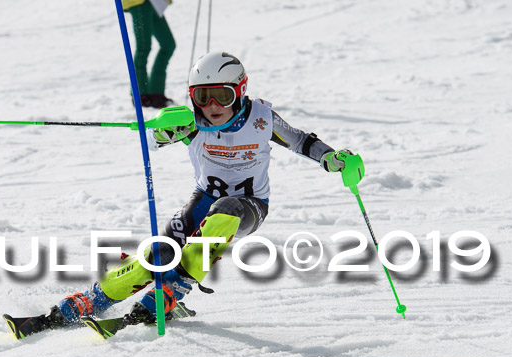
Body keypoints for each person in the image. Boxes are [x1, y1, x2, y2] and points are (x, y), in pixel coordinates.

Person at [22, 51, 357, 335]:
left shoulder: (261, 118)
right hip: (203, 201)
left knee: (226, 209)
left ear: (239, 92)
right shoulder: (190, 121)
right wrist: (164, 130)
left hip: (249, 205)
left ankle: (174, 289)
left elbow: (300, 140)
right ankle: (94, 299)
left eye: (222, 96)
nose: (212, 105)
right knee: (159, 253)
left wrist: (330, 157)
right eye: (201, 96)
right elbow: (153, 139)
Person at [122, 0, 176, 109]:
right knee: (143, 47)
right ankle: (140, 93)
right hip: (138, 3)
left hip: (154, 3)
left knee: (168, 44)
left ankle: (156, 92)